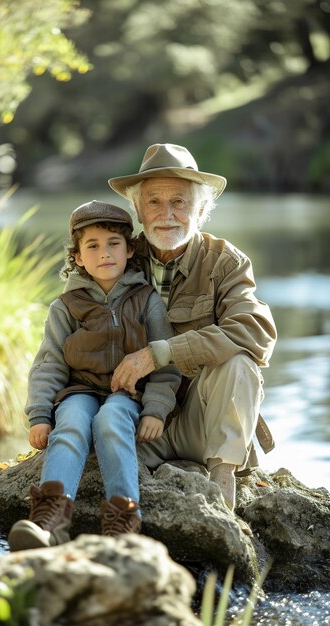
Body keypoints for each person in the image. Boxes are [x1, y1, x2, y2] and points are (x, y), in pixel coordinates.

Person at [108, 143, 277, 512]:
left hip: (201, 425)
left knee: (240, 364)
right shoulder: (115, 258)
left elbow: (255, 330)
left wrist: (160, 354)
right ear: (137, 208)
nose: (166, 215)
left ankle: (222, 493)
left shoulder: (225, 262)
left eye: (180, 202)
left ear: (201, 209)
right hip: (137, 422)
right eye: (154, 202)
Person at [8, 200, 181, 551]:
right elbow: (49, 363)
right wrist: (40, 415)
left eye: (113, 244)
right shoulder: (66, 305)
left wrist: (155, 409)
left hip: (127, 394)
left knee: (110, 421)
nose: (105, 253)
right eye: (93, 246)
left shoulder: (145, 299)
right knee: (70, 423)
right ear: (77, 257)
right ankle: (49, 520)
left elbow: (166, 360)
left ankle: (123, 521)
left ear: (130, 250)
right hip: (79, 390)